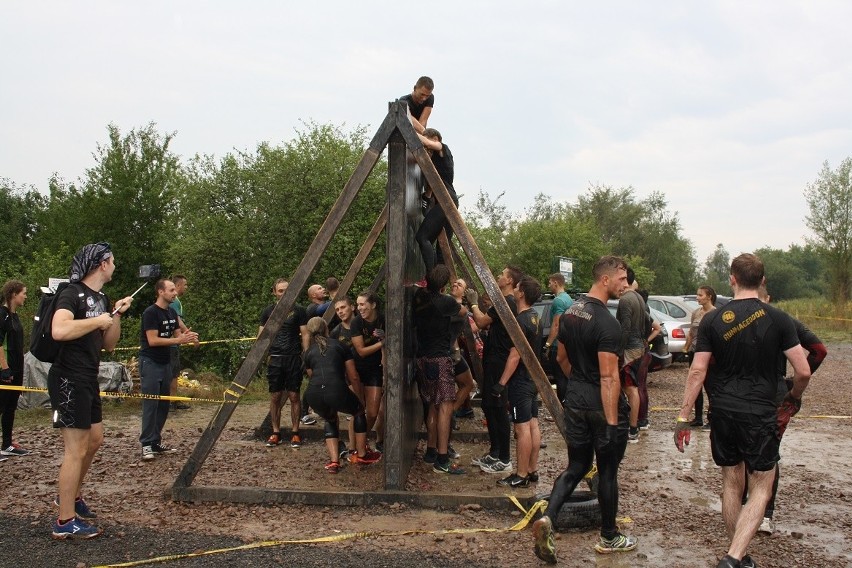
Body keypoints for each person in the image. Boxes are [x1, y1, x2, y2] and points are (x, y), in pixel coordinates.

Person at [674, 253, 812, 568]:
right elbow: (802, 370)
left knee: (731, 481)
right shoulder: (778, 319)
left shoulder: (711, 320)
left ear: (732, 279)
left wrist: (682, 418)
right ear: (762, 281)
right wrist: (793, 396)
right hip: (759, 412)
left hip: (722, 411)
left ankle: (740, 554)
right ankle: (734, 557)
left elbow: (697, 371)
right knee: (762, 483)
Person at [533, 255, 636, 563]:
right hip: (601, 407)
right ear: (605, 279)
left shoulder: (571, 313)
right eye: (621, 279)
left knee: (576, 466)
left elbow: (561, 360)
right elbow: (609, 378)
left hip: (576, 401)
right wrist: (612, 422)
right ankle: (608, 536)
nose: (626, 285)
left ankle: (548, 517)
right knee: (607, 472)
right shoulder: (608, 323)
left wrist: (577, 386)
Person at [48, 242, 133, 539]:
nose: (115, 265)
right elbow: (59, 330)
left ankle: (71, 497)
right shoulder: (71, 293)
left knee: (95, 440)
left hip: (88, 376)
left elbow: (108, 344)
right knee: (75, 449)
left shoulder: (101, 297)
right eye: (113, 260)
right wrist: (97, 319)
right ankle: (64, 521)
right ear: (102, 264)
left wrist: (116, 314)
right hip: (68, 378)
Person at [743, 283, 827, 536]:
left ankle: (761, 511)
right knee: (765, 452)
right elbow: (819, 351)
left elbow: (819, 351)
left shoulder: (736, 320)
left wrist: (794, 383)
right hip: (772, 393)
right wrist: (791, 385)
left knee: (757, 453)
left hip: (751, 394)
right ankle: (760, 511)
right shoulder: (782, 320)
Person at [302, 317, 381, 473]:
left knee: (330, 418)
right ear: (326, 329)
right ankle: (362, 454)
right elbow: (353, 376)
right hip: (336, 388)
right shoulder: (340, 345)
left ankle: (334, 462)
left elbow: (312, 375)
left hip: (313, 393)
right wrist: (359, 397)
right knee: (358, 412)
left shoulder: (308, 352)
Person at [465, 265, 522, 474]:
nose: (499, 276)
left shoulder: (506, 302)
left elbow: (480, 322)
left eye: (502, 275)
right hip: (493, 358)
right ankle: (495, 451)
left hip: (499, 360)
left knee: (498, 407)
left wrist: (472, 303)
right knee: (489, 406)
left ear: (509, 281)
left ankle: (504, 458)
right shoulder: (504, 302)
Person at [138, 279, 199, 460]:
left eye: (175, 290)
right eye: (171, 290)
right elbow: (153, 340)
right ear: (160, 292)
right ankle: (146, 444)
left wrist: (189, 337)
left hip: (166, 363)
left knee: (164, 404)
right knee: (151, 404)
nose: (175, 293)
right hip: (150, 362)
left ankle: (155, 441)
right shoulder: (150, 313)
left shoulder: (171, 312)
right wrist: (177, 341)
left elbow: (179, 332)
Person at [413, 265, 465, 474]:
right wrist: (461, 298)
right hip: (440, 360)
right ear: (444, 286)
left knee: (431, 407)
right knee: (444, 407)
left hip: (422, 359)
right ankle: (442, 459)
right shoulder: (446, 302)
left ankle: (431, 450)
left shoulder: (418, 298)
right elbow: (463, 311)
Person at [494, 275, 543, 488]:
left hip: (520, 382)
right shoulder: (535, 317)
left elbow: (515, 355)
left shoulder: (520, 321)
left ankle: (521, 474)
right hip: (533, 380)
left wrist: (501, 383)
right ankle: (532, 470)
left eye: (517, 287)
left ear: (521, 293)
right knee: (533, 424)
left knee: (521, 428)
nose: (513, 289)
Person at [259, 278, 309, 449]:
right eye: (280, 291)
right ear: (274, 293)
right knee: (275, 396)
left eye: (287, 290)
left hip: (293, 357)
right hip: (276, 357)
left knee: (294, 395)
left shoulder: (299, 311)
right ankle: (276, 432)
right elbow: (261, 336)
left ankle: (295, 433)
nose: (284, 293)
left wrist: (306, 355)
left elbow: (305, 334)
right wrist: (262, 356)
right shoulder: (268, 312)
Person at [413, 128, 458, 274]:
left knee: (422, 237)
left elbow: (427, 142)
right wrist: (426, 197)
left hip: (447, 200)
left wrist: (408, 130)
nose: (426, 149)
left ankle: (432, 278)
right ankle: (437, 282)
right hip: (446, 201)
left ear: (436, 139)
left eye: (428, 145)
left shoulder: (442, 148)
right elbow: (432, 185)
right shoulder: (434, 162)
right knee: (440, 250)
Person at [615, 268, 651, 442]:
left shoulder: (625, 300)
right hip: (639, 347)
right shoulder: (638, 297)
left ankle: (632, 429)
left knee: (631, 389)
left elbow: (625, 327)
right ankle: (632, 426)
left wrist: (618, 350)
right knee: (632, 387)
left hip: (629, 349)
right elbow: (648, 321)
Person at [350, 291, 385, 451]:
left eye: (362, 304)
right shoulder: (357, 322)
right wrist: (383, 343)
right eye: (358, 304)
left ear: (373, 305)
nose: (359, 308)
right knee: (358, 410)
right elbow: (361, 351)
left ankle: (362, 439)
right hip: (357, 369)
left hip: (375, 369)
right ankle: (354, 447)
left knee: (372, 412)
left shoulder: (383, 319)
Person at [0, 280, 29, 458]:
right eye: (23, 293)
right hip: (5, 369)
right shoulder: (2, 315)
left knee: (10, 408)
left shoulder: (15, 316)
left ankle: (7, 444)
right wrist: (4, 368)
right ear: (13, 294)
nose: (25, 296)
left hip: (18, 369)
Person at [685, 285, 717, 427]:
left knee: (710, 386)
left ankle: (712, 418)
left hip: (709, 354)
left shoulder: (716, 313)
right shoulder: (696, 312)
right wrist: (686, 347)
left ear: (709, 296)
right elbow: (691, 332)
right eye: (697, 295)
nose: (697, 298)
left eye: (700, 295)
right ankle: (698, 418)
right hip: (695, 351)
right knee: (695, 385)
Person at [449, 277, 478, 419]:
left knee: (468, 383)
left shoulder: (461, 308)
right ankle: (450, 412)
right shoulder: (448, 301)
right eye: (454, 283)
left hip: (451, 351)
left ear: (464, 292)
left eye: (459, 285)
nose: (455, 284)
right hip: (449, 350)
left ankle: (450, 412)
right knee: (465, 383)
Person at [543, 273, 573, 404]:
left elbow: (556, 325)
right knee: (567, 377)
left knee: (560, 378)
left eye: (550, 282)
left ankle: (562, 409)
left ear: (556, 282)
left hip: (558, 345)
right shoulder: (569, 299)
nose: (549, 285)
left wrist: (547, 345)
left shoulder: (558, 301)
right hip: (568, 343)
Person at [168, 275, 191, 411]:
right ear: (178, 286)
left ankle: (172, 400)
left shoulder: (175, 301)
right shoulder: (175, 301)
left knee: (173, 373)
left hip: (173, 342)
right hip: (171, 343)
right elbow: (177, 320)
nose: (186, 288)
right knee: (173, 373)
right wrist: (188, 334)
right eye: (185, 285)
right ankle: (172, 401)